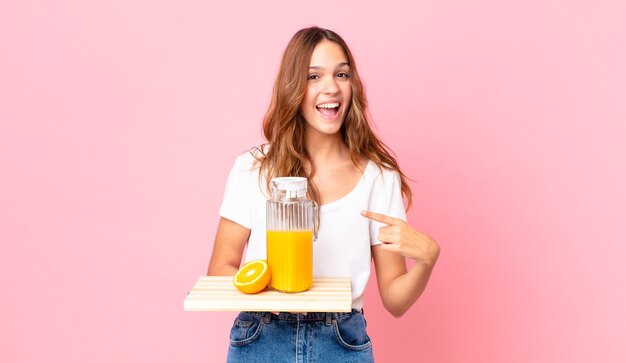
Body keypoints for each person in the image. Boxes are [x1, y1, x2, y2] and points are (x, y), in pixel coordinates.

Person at [207, 26, 440, 362]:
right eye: (313, 76)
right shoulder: (252, 169)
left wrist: (427, 260)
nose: (331, 87)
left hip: (341, 342)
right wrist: (272, 287)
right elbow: (221, 268)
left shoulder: (378, 177)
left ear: (352, 85)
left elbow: (395, 299)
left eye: (341, 74)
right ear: (293, 89)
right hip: (261, 336)